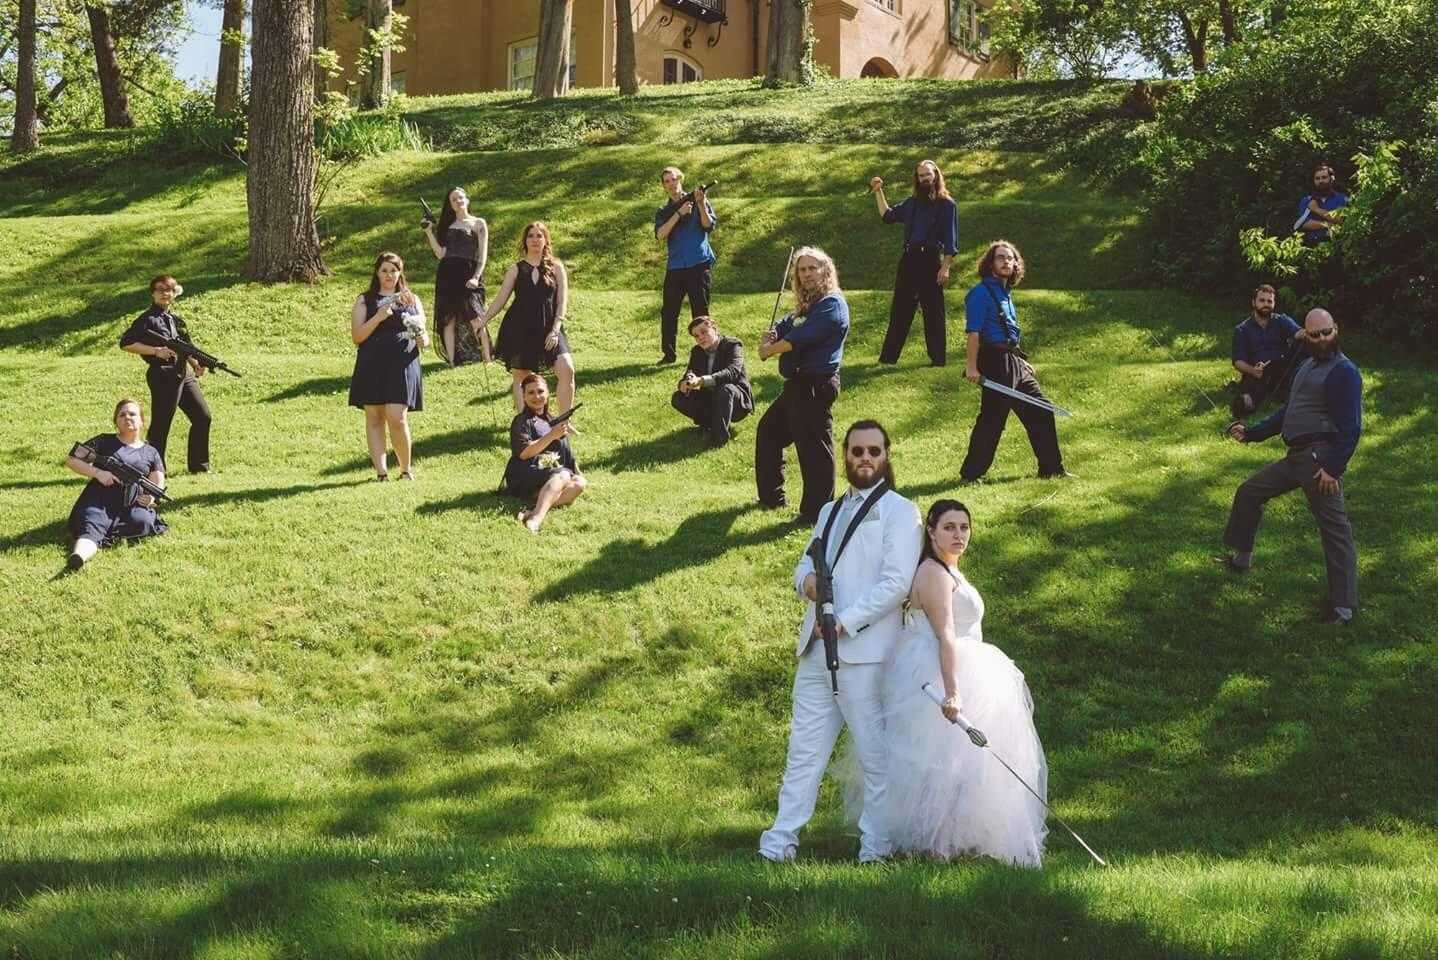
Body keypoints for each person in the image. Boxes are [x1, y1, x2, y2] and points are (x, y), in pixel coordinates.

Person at [759, 421, 922, 863]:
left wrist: (843, 623)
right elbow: (802, 565)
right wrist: (807, 583)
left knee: (874, 756)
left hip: (864, 653)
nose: (864, 459)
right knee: (803, 752)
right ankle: (780, 842)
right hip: (814, 650)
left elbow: (895, 584)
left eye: (873, 451)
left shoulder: (902, 512)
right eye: (856, 451)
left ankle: (876, 846)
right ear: (845, 456)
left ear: (886, 456)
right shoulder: (829, 511)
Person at [866, 498, 1047, 866]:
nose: (958, 534)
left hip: (969, 666)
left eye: (964, 527)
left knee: (961, 765)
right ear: (931, 532)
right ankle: (933, 846)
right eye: (949, 527)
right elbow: (945, 634)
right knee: (940, 764)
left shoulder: (951, 571)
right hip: (939, 673)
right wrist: (953, 693)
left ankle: (948, 842)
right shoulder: (933, 573)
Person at [1219, 308, 1362, 625]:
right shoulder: (1306, 367)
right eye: (1315, 334)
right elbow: (1289, 412)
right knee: (1249, 492)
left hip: (1317, 461)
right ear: (1306, 337)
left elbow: (1351, 428)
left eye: (1327, 332)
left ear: (1335, 329)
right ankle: (1241, 560)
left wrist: (1332, 468)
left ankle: (1343, 608)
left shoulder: (1344, 372)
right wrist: (1252, 433)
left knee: (1335, 531)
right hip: (1296, 457)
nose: (1323, 339)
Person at [957, 240, 1070, 483]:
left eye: (1010, 258)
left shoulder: (1006, 293)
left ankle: (1051, 469)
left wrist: (1019, 360)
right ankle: (971, 474)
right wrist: (971, 366)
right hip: (995, 362)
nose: (1007, 261)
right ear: (989, 263)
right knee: (992, 419)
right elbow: (974, 334)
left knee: (1041, 410)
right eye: (1000, 257)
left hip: (1011, 361)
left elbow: (1007, 332)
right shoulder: (980, 294)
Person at [755, 246, 850, 523]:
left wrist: (768, 350)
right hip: (797, 386)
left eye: (812, 268)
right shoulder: (808, 306)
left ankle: (816, 514)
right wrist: (770, 335)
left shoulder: (832, 304)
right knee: (769, 432)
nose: (807, 274)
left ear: (825, 270)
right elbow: (786, 326)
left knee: (814, 451)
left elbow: (799, 337)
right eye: (802, 269)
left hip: (815, 385)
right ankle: (772, 498)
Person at [474, 222, 576, 415]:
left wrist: (555, 329)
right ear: (525, 241)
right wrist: (484, 320)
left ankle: (564, 422)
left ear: (546, 240)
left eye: (539, 235)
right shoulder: (516, 269)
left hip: (550, 327)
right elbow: (501, 299)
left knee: (567, 370)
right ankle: (525, 424)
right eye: (531, 236)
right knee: (521, 378)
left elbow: (562, 301)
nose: (535, 240)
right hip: (520, 328)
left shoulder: (556, 267)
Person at [119, 274, 213, 474]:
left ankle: (199, 467)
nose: (164, 293)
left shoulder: (176, 320)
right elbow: (126, 343)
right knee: (161, 425)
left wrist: (196, 363)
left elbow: (186, 347)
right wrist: (155, 351)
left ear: (174, 293)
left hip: (183, 373)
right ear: (152, 294)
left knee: (202, 417)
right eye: (160, 290)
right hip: (163, 375)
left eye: (168, 289)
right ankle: (154, 470)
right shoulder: (147, 320)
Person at [870, 160, 959, 366]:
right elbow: (887, 215)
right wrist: (878, 191)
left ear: (935, 175)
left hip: (930, 260)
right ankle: (888, 358)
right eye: (920, 176)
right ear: (917, 179)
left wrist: (945, 267)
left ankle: (938, 360)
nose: (924, 179)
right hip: (909, 259)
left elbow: (950, 240)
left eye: (927, 174)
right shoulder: (912, 203)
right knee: (900, 309)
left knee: (933, 311)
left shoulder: (947, 205)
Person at [349, 251, 429, 481]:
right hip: (372, 363)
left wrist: (423, 340)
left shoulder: (412, 299)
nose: (389, 275)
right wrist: (378, 318)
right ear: (377, 272)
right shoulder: (365, 300)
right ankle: (381, 473)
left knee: (397, 416)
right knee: (374, 417)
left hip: (403, 363)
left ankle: (405, 469)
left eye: (393, 270)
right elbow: (357, 336)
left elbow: (423, 333)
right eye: (384, 270)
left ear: (400, 272)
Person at [64, 399, 167, 570]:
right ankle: (79, 556)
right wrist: (98, 473)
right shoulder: (104, 441)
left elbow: (157, 480)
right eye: (122, 414)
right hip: (100, 498)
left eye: (132, 414)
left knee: (142, 521)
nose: (127, 417)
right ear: (116, 422)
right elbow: (72, 460)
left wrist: (152, 498)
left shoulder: (151, 452)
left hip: (132, 501)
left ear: (142, 421)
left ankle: (107, 534)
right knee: (92, 523)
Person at [504, 373, 586, 534]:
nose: (537, 396)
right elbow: (524, 453)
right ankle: (536, 519)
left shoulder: (552, 420)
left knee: (579, 484)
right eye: (531, 392)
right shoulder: (521, 421)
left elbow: (565, 451)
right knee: (562, 475)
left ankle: (533, 509)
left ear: (548, 394)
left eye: (540, 391)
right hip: (524, 473)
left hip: (548, 473)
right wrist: (551, 436)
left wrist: (578, 472)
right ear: (524, 397)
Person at [654, 165, 717, 365]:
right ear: (664, 186)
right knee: (669, 311)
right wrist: (679, 214)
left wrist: (701, 203)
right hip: (675, 266)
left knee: (700, 311)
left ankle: (706, 352)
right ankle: (669, 355)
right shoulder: (664, 211)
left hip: (698, 263)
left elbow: (708, 226)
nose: (671, 184)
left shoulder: (697, 199)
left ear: (680, 179)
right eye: (667, 182)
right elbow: (660, 234)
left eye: (674, 179)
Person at [421, 185, 490, 365]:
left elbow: (482, 255)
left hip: (469, 274)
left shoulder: (478, 223)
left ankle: (488, 358)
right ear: (450, 205)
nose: (458, 201)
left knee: (476, 316)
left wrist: (476, 276)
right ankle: (452, 361)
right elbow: (440, 254)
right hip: (447, 275)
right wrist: (429, 232)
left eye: (461, 197)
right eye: (454, 199)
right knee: (448, 319)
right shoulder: (447, 226)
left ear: (467, 200)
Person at [672, 314, 753, 447]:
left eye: (704, 332)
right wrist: (685, 383)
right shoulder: (697, 351)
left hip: (736, 400)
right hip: (710, 397)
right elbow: (690, 373)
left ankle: (719, 438)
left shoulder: (733, 345)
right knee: (678, 397)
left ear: (714, 328)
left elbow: (732, 372)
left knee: (725, 389)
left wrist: (702, 380)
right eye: (696, 336)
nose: (701, 338)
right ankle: (707, 424)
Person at [1230, 283, 1304, 418]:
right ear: (1254, 302)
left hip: (1284, 367)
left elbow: (1298, 333)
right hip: (1260, 371)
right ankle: (1248, 401)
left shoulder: (1281, 320)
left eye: (1269, 301)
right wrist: (1253, 371)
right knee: (1248, 400)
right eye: (1262, 300)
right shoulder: (1242, 329)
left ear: (1274, 303)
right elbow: (1238, 361)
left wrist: (1319, 330)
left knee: (1305, 343)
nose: (1266, 304)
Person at [1294, 163, 1348, 246]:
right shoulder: (1306, 201)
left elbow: (1341, 220)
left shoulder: (1342, 198)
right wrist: (1328, 224)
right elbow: (1303, 224)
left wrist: (1316, 209)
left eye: (1324, 177)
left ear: (1331, 179)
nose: (1320, 181)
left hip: (1337, 244)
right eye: (1317, 178)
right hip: (1311, 245)